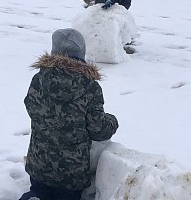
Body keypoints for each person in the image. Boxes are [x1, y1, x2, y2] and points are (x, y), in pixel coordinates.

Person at [19, 28, 119, 200]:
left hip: (39, 167)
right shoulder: (90, 87)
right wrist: (112, 121)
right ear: (81, 52)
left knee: (39, 192)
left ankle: (34, 197)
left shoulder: (39, 79)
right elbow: (98, 129)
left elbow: (31, 107)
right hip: (71, 174)